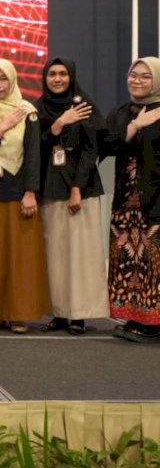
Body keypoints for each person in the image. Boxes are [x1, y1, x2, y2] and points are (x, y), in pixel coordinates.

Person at [0, 58, 50, 334]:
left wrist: (30, 192)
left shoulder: (27, 112)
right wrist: (0, 130)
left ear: (12, 80)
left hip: (18, 195)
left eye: (3, 79)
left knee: (19, 259)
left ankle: (17, 314)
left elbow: (34, 156)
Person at [35, 57, 109, 335]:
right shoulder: (38, 108)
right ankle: (58, 312)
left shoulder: (84, 107)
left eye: (62, 74)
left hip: (82, 189)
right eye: (52, 74)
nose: (57, 79)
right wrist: (57, 125)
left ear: (71, 76)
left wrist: (77, 188)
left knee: (80, 255)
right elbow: (35, 150)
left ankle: (78, 315)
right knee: (54, 255)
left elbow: (92, 151)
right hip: (50, 188)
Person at [106, 57, 160, 343]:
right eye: (133, 75)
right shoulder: (121, 113)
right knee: (128, 260)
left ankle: (153, 321)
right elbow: (105, 145)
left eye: (145, 77)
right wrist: (135, 125)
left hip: (155, 200)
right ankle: (135, 315)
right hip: (125, 202)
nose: (137, 81)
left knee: (153, 262)